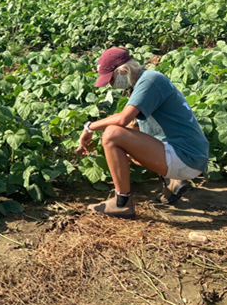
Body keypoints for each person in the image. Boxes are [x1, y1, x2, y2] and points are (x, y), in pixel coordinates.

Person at [76, 47, 209, 219]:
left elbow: (123, 119)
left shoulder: (150, 80)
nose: (110, 84)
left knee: (111, 135)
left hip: (186, 157)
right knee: (126, 135)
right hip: (188, 154)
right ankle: (171, 180)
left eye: (111, 79)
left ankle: (122, 203)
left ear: (123, 71)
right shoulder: (145, 81)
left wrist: (89, 127)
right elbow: (130, 123)